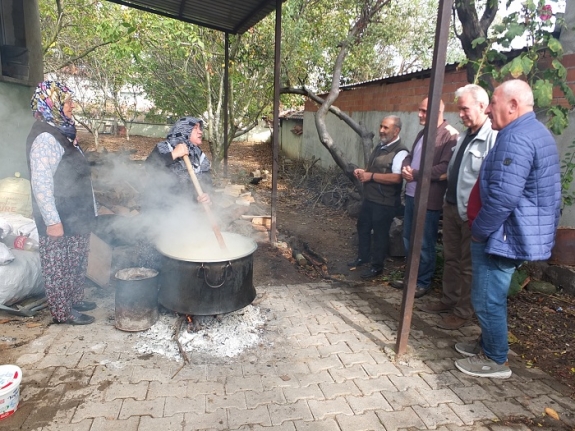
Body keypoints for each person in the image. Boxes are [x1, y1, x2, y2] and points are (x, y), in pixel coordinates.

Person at [454, 79, 561, 379]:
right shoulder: (531, 131)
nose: (489, 110)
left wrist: (479, 230)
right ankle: (487, 343)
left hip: (501, 235)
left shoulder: (516, 138)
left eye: (494, 103)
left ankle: (495, 359)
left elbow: (503, 197)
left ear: (513, 106)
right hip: (508, 232)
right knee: (489, 294)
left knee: (487, 298)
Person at [418, 84, 497, 329]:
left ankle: (463, 312)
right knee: (451, 259)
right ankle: (448, 300)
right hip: (451, 207)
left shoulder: (492, 138)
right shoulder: (464, 136)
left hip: (472, 214)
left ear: (482, 106)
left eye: (465, 108)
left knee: (468, 265)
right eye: (459, 109)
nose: (460, 114)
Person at [26, 81, 97, 325]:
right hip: (60, 216)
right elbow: (41, 184)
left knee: (75, 259)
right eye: (67, 101)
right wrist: (52, 221)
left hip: (75, 213)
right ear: (51, 104)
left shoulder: (63, 132)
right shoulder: (45, 137)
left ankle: (74, 300)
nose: (72, 105)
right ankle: (62, 312)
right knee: (59, 266)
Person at [392, 98, 458, 297]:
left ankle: (423, 282)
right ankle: (410, 279)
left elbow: (445, 168)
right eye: (419, 110)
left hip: (429, 200)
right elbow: (411, 155)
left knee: (424, 242)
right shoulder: (423, 132)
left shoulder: (449, 135)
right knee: (407, 238)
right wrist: (406, 166)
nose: (419, 115)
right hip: (412, 195)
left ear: (437, 111)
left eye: (423, 111)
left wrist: (416, 174)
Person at [137, 116, 212, 269]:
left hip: (182, 214)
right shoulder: (164, 148)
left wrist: (204, 197)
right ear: (183, 131)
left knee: (177, 255)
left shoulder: (200, 157)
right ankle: (149, 283)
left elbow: (205, 185)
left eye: (200, 128)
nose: (200, 132)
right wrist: (174, 154)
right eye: (196, 128)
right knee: (154, 252)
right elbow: (150, 167)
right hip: (157, 211)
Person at [347, 116, 408, 279]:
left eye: (386, 128)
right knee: (363, 227)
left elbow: (396, 178)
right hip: (370, 199)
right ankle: (363, 257)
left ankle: (377, 267)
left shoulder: (400, 151)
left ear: (396, 131)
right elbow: (373, 168)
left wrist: (371, 176)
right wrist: (363, 171)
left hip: (385, 202)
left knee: (380, 235)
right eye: (381, 126)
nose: (381, 130)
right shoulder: (380, 147)